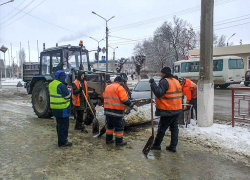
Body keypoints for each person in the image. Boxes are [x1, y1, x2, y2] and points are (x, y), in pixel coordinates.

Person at [149, 67, 182, 152]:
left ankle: (156, 145)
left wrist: (153, 84)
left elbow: (159, 93)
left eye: (161, 73)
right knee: (174, 128)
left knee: (162, 128)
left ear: (164, 73)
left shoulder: (164, 81)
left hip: (168, 109)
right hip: (177, 108)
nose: (161, 74)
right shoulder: (175, 81)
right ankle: (173, 146)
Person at [103, 76, 138, 146]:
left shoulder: (108, 87)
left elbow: (104, 96)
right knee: (119, 127)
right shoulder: (119, 88)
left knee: (110, 126)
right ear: (120, 82)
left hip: (107, 111)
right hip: (116, 111)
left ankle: (108, 140)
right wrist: (132, 106)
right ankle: (119, 142)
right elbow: (124, 100)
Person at [49, 70, 72, 147]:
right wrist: (69, 91)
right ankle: (63, 142)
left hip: (54, 108)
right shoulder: (61, 85)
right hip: (63, 108)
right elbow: (68, 96)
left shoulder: (51, 84)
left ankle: (60, 141)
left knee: (59, 125)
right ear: (61, 77)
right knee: (64, 126)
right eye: (64, 77)